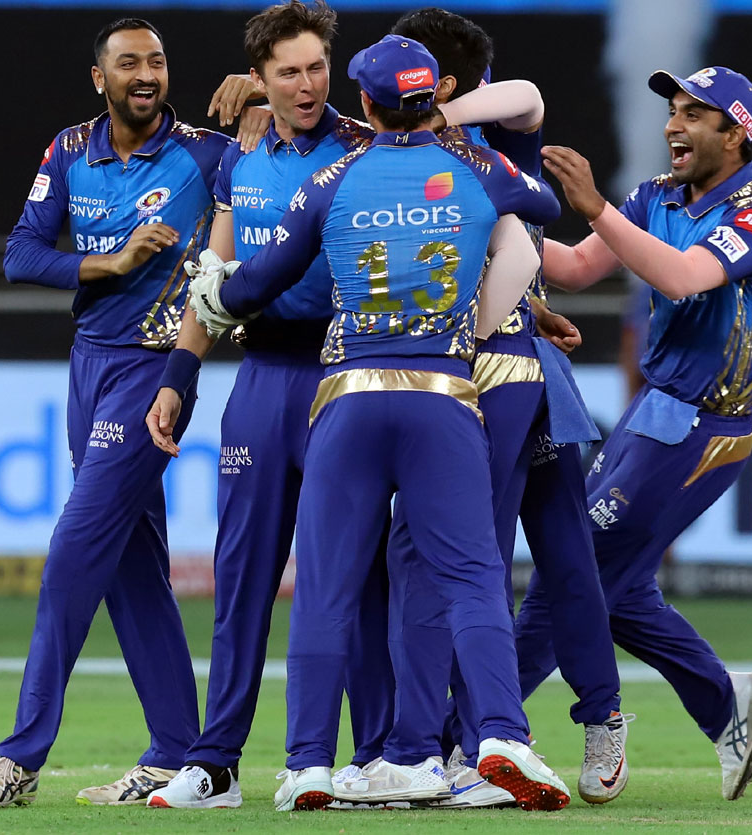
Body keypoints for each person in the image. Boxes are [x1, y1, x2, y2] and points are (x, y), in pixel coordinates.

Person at [184, 34, 572, 812]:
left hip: (350, 394)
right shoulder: (479, 170)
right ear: (432, 98)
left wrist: (213, 296)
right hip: (445, 395)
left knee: (325, 586)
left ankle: (308, 767)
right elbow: (546, 205)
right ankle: (501, 734)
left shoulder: (334, 177)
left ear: (362, 102)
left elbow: (260, 280)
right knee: (472, 578)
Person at [347, 7, 628, 810]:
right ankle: (576, 719)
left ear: (444, 83)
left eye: (416, 70)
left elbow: (529, 94)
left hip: (484, 377)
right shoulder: (425, 153)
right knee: (558, 549)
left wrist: (439, 111)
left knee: (453, 553)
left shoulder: (484, 138)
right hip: (518, 365)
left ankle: (471, 745)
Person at [0, 19, 230, 809]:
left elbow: (278, 180)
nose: (147, 74)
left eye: (158, 61)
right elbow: (20, 253)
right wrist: (107, 261)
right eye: (129, 63)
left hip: (154, 368)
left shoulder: (208, 156)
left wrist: (258, 111)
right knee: (133, 570)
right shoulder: (71, 150)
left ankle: (18, 759)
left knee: (74, 551)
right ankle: (180, 754)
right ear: (99, 78)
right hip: (89, 365)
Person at [139, 2, 378, 811]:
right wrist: (179, 373)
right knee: (241, 577)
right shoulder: (237, 160)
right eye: (288, 72)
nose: (307, 84)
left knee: (353, 577)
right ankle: (218, 762)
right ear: (261, 79)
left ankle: (371, 756)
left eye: (316, 67)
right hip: (260, 382)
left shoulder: (367, 146)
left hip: (345, 378)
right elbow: (216, 273)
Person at [530, 64, 752, 801]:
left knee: (567, 572)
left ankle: (471, 732)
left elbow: (680, 277)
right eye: (672, 110)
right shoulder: (654, 196)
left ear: (736, 133)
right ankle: (722, 701)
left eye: (693, 114)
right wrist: (491, 225)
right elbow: (579, 268)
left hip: (706, 426)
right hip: (652, 415)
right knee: (609, 585)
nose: (673, 125)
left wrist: (593, 205)